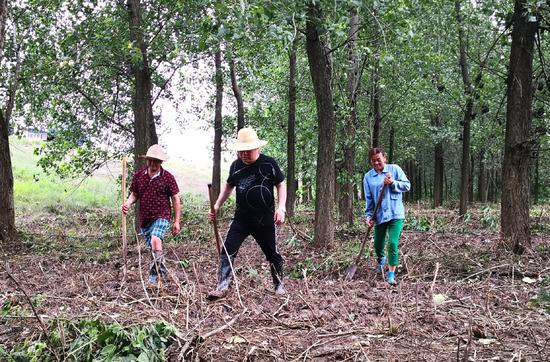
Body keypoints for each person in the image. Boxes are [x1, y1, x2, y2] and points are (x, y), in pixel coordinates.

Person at [208, 127, 287, 299]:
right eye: (240, 151)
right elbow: (229, 186)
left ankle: (279, 285)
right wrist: (217, 205)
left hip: (265, 220)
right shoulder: (235, 166)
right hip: (241, 219)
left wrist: (281, 208)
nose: (243, 154)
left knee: (272, 253)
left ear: (257, 148)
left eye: (247, 151)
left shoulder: (269, 164)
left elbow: (281, 184)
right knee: (227, 249)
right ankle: (222, 287)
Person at [121, 144, 181, 283]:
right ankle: (164, 274)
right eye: (151, 160)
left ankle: (154, 279)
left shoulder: (168, 178)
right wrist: (128, 203)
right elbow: (134, 194)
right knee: (154, 248)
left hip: (162, 216)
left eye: (157, 161)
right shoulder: (139, 176)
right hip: (145, 219)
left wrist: (176, 221)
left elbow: (176, 199)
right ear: (147, 160)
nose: (153, 164)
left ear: (161, 162)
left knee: (155, 239)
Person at [363, 147, 410, 285]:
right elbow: (369, 199)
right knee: (378, 244)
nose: (376, 163)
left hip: (396, 213)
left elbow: (407, 186)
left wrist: (393, 183)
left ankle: (390, 275)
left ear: (384, 158)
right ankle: (380, 261)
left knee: (392, 243)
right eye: (373, 161)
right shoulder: (368, 177)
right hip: (379, 215)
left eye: (379, 159)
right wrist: (368, 217)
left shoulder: (394, 169)